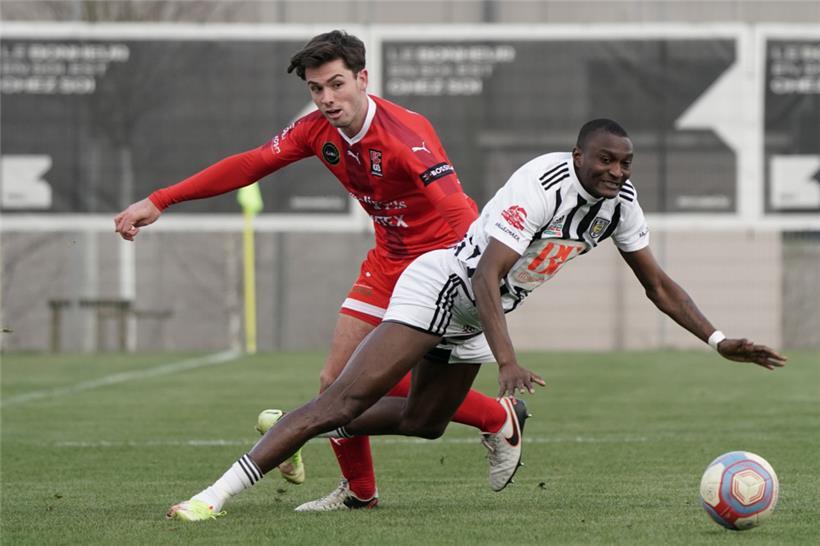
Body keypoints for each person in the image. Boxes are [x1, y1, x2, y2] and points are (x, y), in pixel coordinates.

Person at [164, 117, 786, 521]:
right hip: (443, 288)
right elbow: (486, 274)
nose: (616, 173)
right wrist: (508, 360)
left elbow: (658, 284)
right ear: (578, 155)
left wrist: (718, 338)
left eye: (625, 164)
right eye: (605, 161)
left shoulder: (619, 205)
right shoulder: (541, 183)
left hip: (475, 318)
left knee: (425, 422)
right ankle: (213, 497)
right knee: (341, 398)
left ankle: (313, 428)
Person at [114, 30, 528, 512]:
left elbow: (457, 210)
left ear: (362, 79)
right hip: (387, 260)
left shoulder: (406, 134)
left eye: (336, 84)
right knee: (336, 382)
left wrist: (481, 274)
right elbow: (250, 164)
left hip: (439, 267)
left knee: (408, 403)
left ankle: (496, 420)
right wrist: (160, 200)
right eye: (316, 89)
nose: (327, 99)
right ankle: (362, 491)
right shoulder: (315, 130)